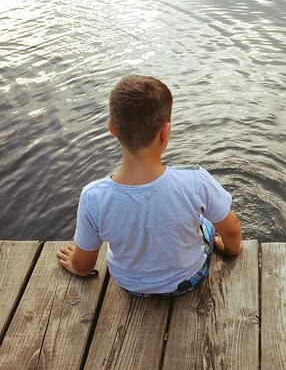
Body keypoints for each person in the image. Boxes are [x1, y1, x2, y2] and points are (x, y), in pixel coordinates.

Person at [56, 75, 242, 296]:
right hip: (189, 279)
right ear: (165, 132)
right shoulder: (195, 180)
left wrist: (76, 266)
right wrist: (230, 250)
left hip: (131, 286)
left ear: (111, 128)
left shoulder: (93, 196)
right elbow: (232, 229)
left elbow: (84, 266)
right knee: (204, 221)